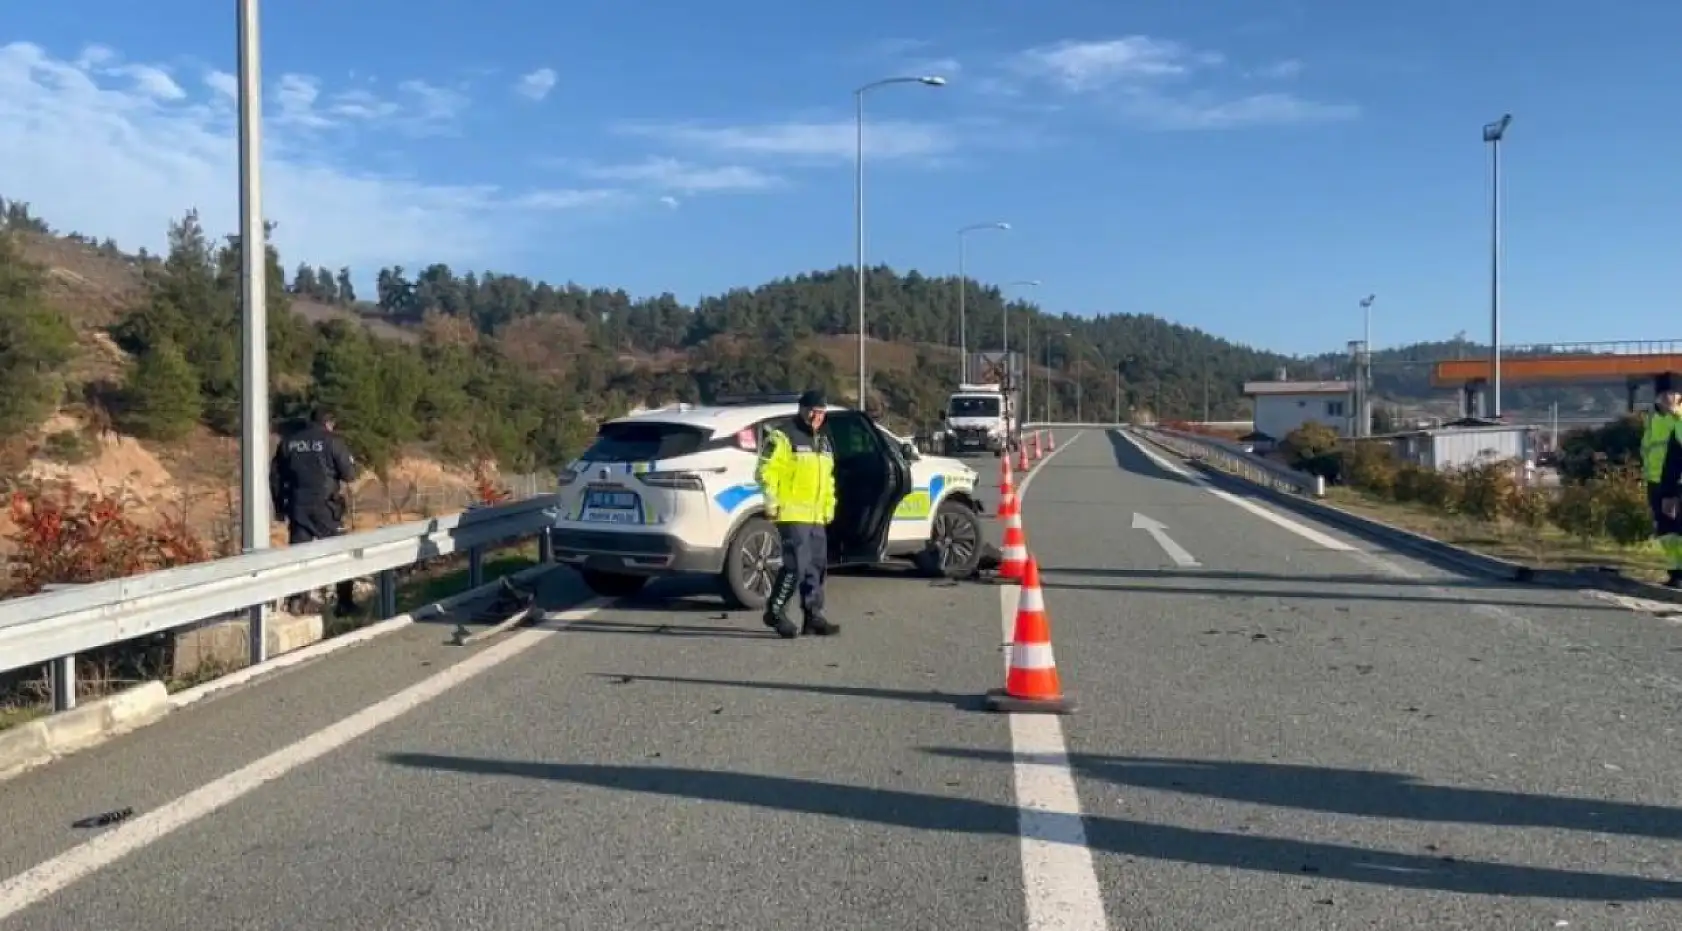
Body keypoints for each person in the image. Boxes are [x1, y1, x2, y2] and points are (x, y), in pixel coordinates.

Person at [755, 389, 841, 638]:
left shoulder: (824, 441)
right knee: (795, 566)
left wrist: (828, 507)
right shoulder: (783, 437)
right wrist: (772, 502)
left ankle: (813, 616)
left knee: (816, 566)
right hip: (791, 512)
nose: (817, 416)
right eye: (813, 410)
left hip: (816, 516)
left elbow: (828, 480)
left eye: (822, 412)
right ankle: (775, 611)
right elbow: (765, 472)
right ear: (802, 409)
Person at [271, 406, 361, 614]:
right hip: (326, 507)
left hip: (297, 507)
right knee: (340, 553)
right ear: (328, 423)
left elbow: (275, 477)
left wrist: (279, 507)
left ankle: (296, 600)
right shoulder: (332, 442)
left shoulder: (289, 442)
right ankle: (344, 603)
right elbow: (349, 476)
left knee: (299, 557)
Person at [1643, 373, 1682, 588]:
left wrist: (1677, 415)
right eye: (1663, 394)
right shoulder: (1654, 418)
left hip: (1677, 483)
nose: (1667, 398)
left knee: (1680, 528)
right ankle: (1675, 573)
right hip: (1655, 481)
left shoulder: (1680, 416)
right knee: (1666, 531)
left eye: (1672, 393)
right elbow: (1648, 448)